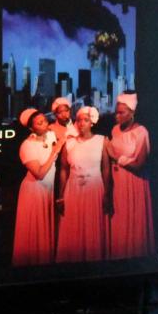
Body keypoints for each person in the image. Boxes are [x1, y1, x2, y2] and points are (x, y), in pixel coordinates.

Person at [55, 106, 111, 262]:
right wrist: (60, 196)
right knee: (73, 228)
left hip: (94, 188)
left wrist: (107, 194)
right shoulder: (69, 143)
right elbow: (63, 170)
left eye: (85, 120)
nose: (81, 124)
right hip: (73, 190)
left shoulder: (102, 141)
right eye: (78, 120)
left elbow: (106, 170)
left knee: (92, 228)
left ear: (92, 122)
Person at [105, 93, 154, 258]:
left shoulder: (141, 132)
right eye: (116, 112)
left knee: (132, 221)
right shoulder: (114, 130)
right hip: (117, 182)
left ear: (132, 113)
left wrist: (118, 159)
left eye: (121, 113)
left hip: (133, 183)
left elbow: (139, 164)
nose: (117, 116)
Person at [12, 109, 64, 265]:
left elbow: (65, 132)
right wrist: (55, 151)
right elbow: (39, 174)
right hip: (33, 191)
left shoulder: (50, 135)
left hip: (48, 191)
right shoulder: (27, 146)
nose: (45, 125)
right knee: (35, 231)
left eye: (45, 121)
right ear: (31, 128)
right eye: (39, 123)